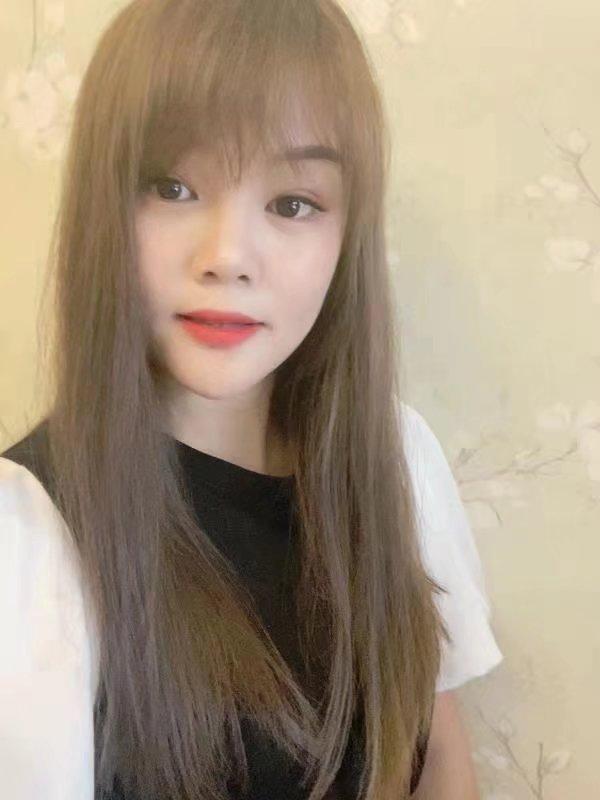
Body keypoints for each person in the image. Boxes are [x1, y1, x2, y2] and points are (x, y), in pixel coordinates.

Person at [0, 1, 503, 798]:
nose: (228, 256)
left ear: (347, 236)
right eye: (172, 187)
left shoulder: (396, 458)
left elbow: (439, 761)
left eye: (292, 203)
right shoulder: (26, 536)